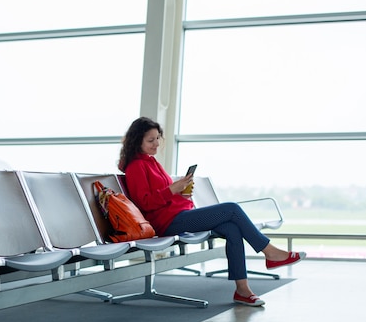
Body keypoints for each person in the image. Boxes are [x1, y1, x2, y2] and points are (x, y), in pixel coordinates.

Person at [118, 117, 306, 307]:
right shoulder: (135, 166)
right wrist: (172, 190)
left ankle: (242, 290)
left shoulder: (152, 162)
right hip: (167, 223)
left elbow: (165, 195)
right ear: (137, 141)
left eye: (158, 138)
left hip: (179, 215)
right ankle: (270, 252)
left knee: (232, 227)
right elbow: (144, 204)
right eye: (151, 140)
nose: (156, 144)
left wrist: (181, 193)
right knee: (231, 208)